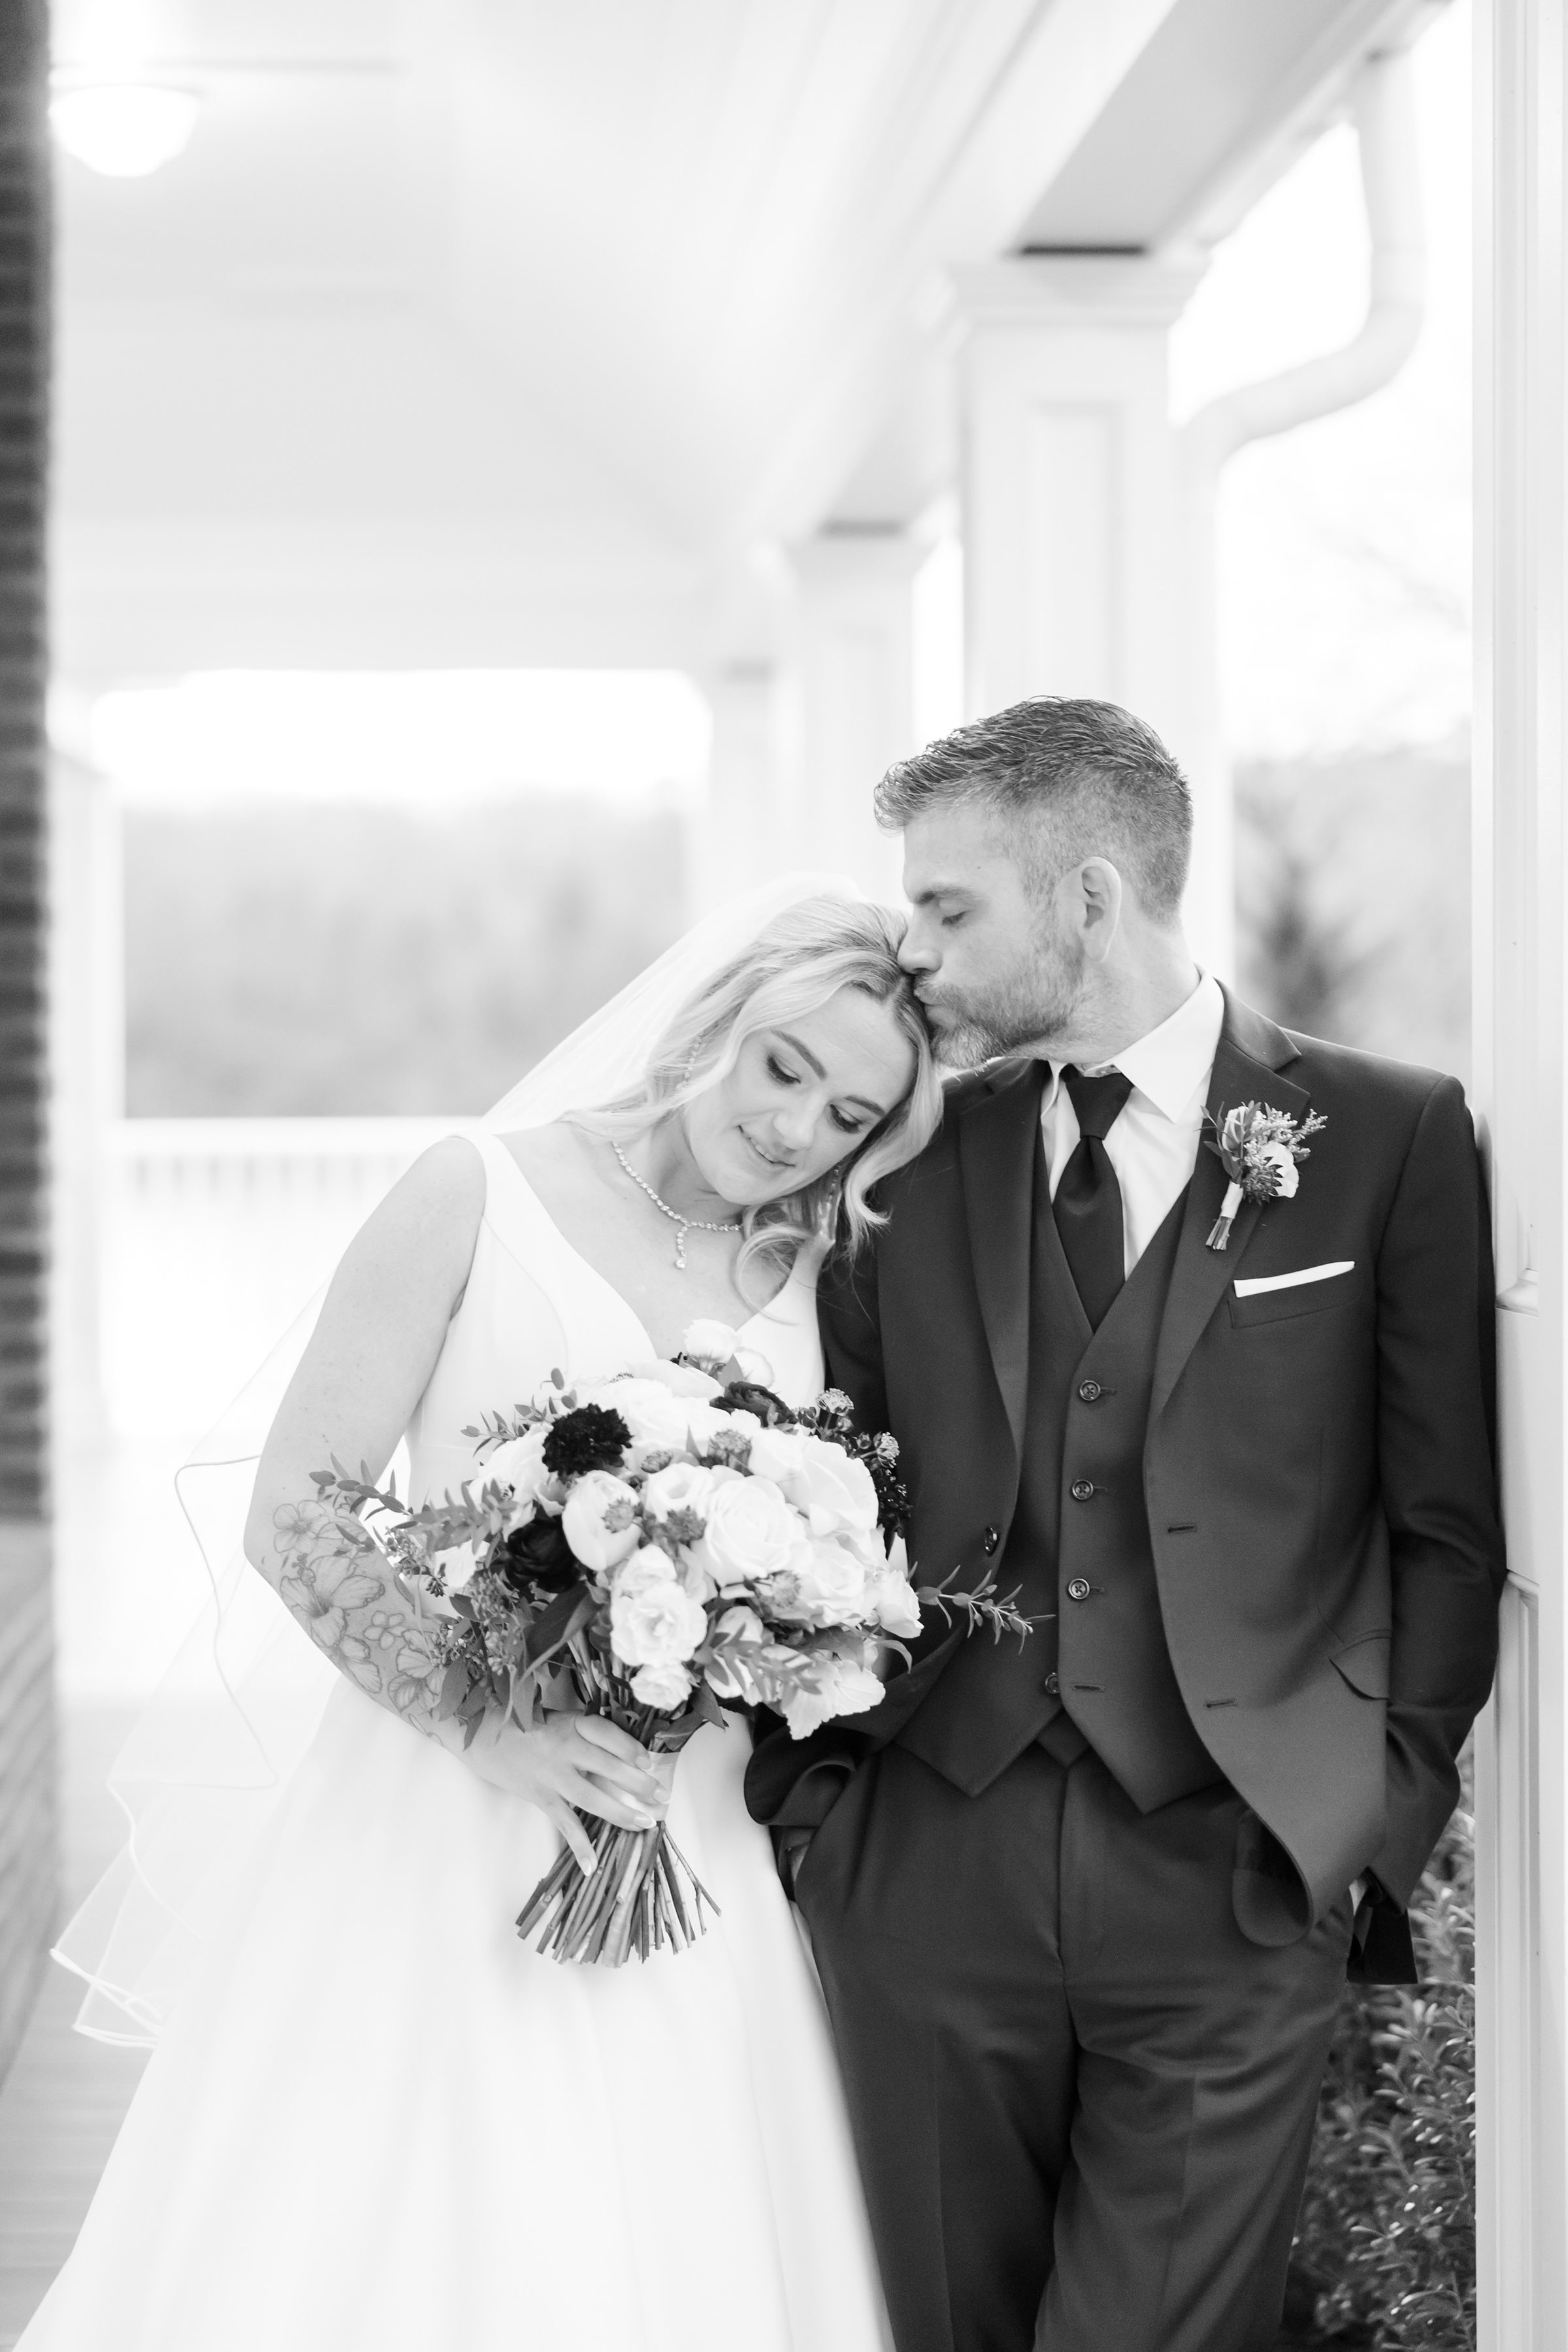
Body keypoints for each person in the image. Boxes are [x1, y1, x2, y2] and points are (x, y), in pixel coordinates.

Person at [22, 887, 941, 2352]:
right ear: (716, 1014)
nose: (793, 1129)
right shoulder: (476, 1192)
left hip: (684, 1825)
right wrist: (484, 1724)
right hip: (433, 1804)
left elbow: (848, 1548)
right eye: (782, 1066)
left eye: (846, 1115)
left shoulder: (827, 1281)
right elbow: (299, 1510)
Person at [747, 700, 1505, 2352]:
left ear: (1088, 896)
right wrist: (819, 1822)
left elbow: (1447, 1524)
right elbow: (834, 1481)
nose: (918, 957)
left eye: (950, 909)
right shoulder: (911, 1157)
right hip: (926, 1865)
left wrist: (1367, 1822)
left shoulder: (1388, 1134)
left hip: (1236, 1875)